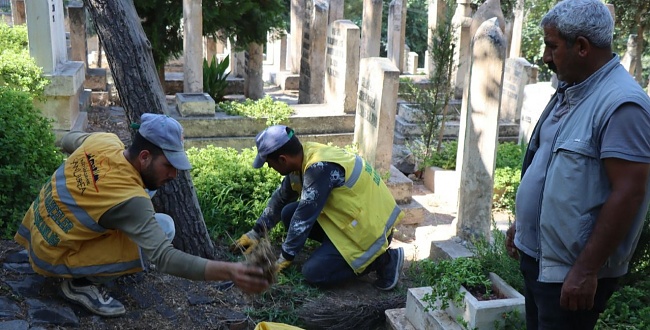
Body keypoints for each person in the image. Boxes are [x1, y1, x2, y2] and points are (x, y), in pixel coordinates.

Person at [14, 113, 270, 317]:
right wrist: (231, 271)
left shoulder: (104, 141)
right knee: (165, 227)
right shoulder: (131, 200)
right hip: (52, 258)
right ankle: (78, 282)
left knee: (147, 196)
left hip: (37, 232)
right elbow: (166, 258)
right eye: (168, 166)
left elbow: (68, 140)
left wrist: (87, 178)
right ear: (145, 157)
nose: (174, 175)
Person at [504, 1, 650, 329]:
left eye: (552, 46)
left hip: (570, 273)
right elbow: (550, 166)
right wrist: (525, 228)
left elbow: (629, 193)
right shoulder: (571, 90)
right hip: (542, 263)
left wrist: (586, 270)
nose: (544, 56)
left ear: (581, 47)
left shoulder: (622, 104)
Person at [230, 125, 405, 290]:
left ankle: (383, 260)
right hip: (352, 222)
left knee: (313, 273)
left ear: (282, 159)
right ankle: (334, 252)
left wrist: (284, 258)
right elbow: (282, 198)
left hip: (371, 232)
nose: (269, 166)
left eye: (269, 162)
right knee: (288, 213)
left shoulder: (319, 168)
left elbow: (304, 218)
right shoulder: (304, 157)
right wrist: (256, 232)